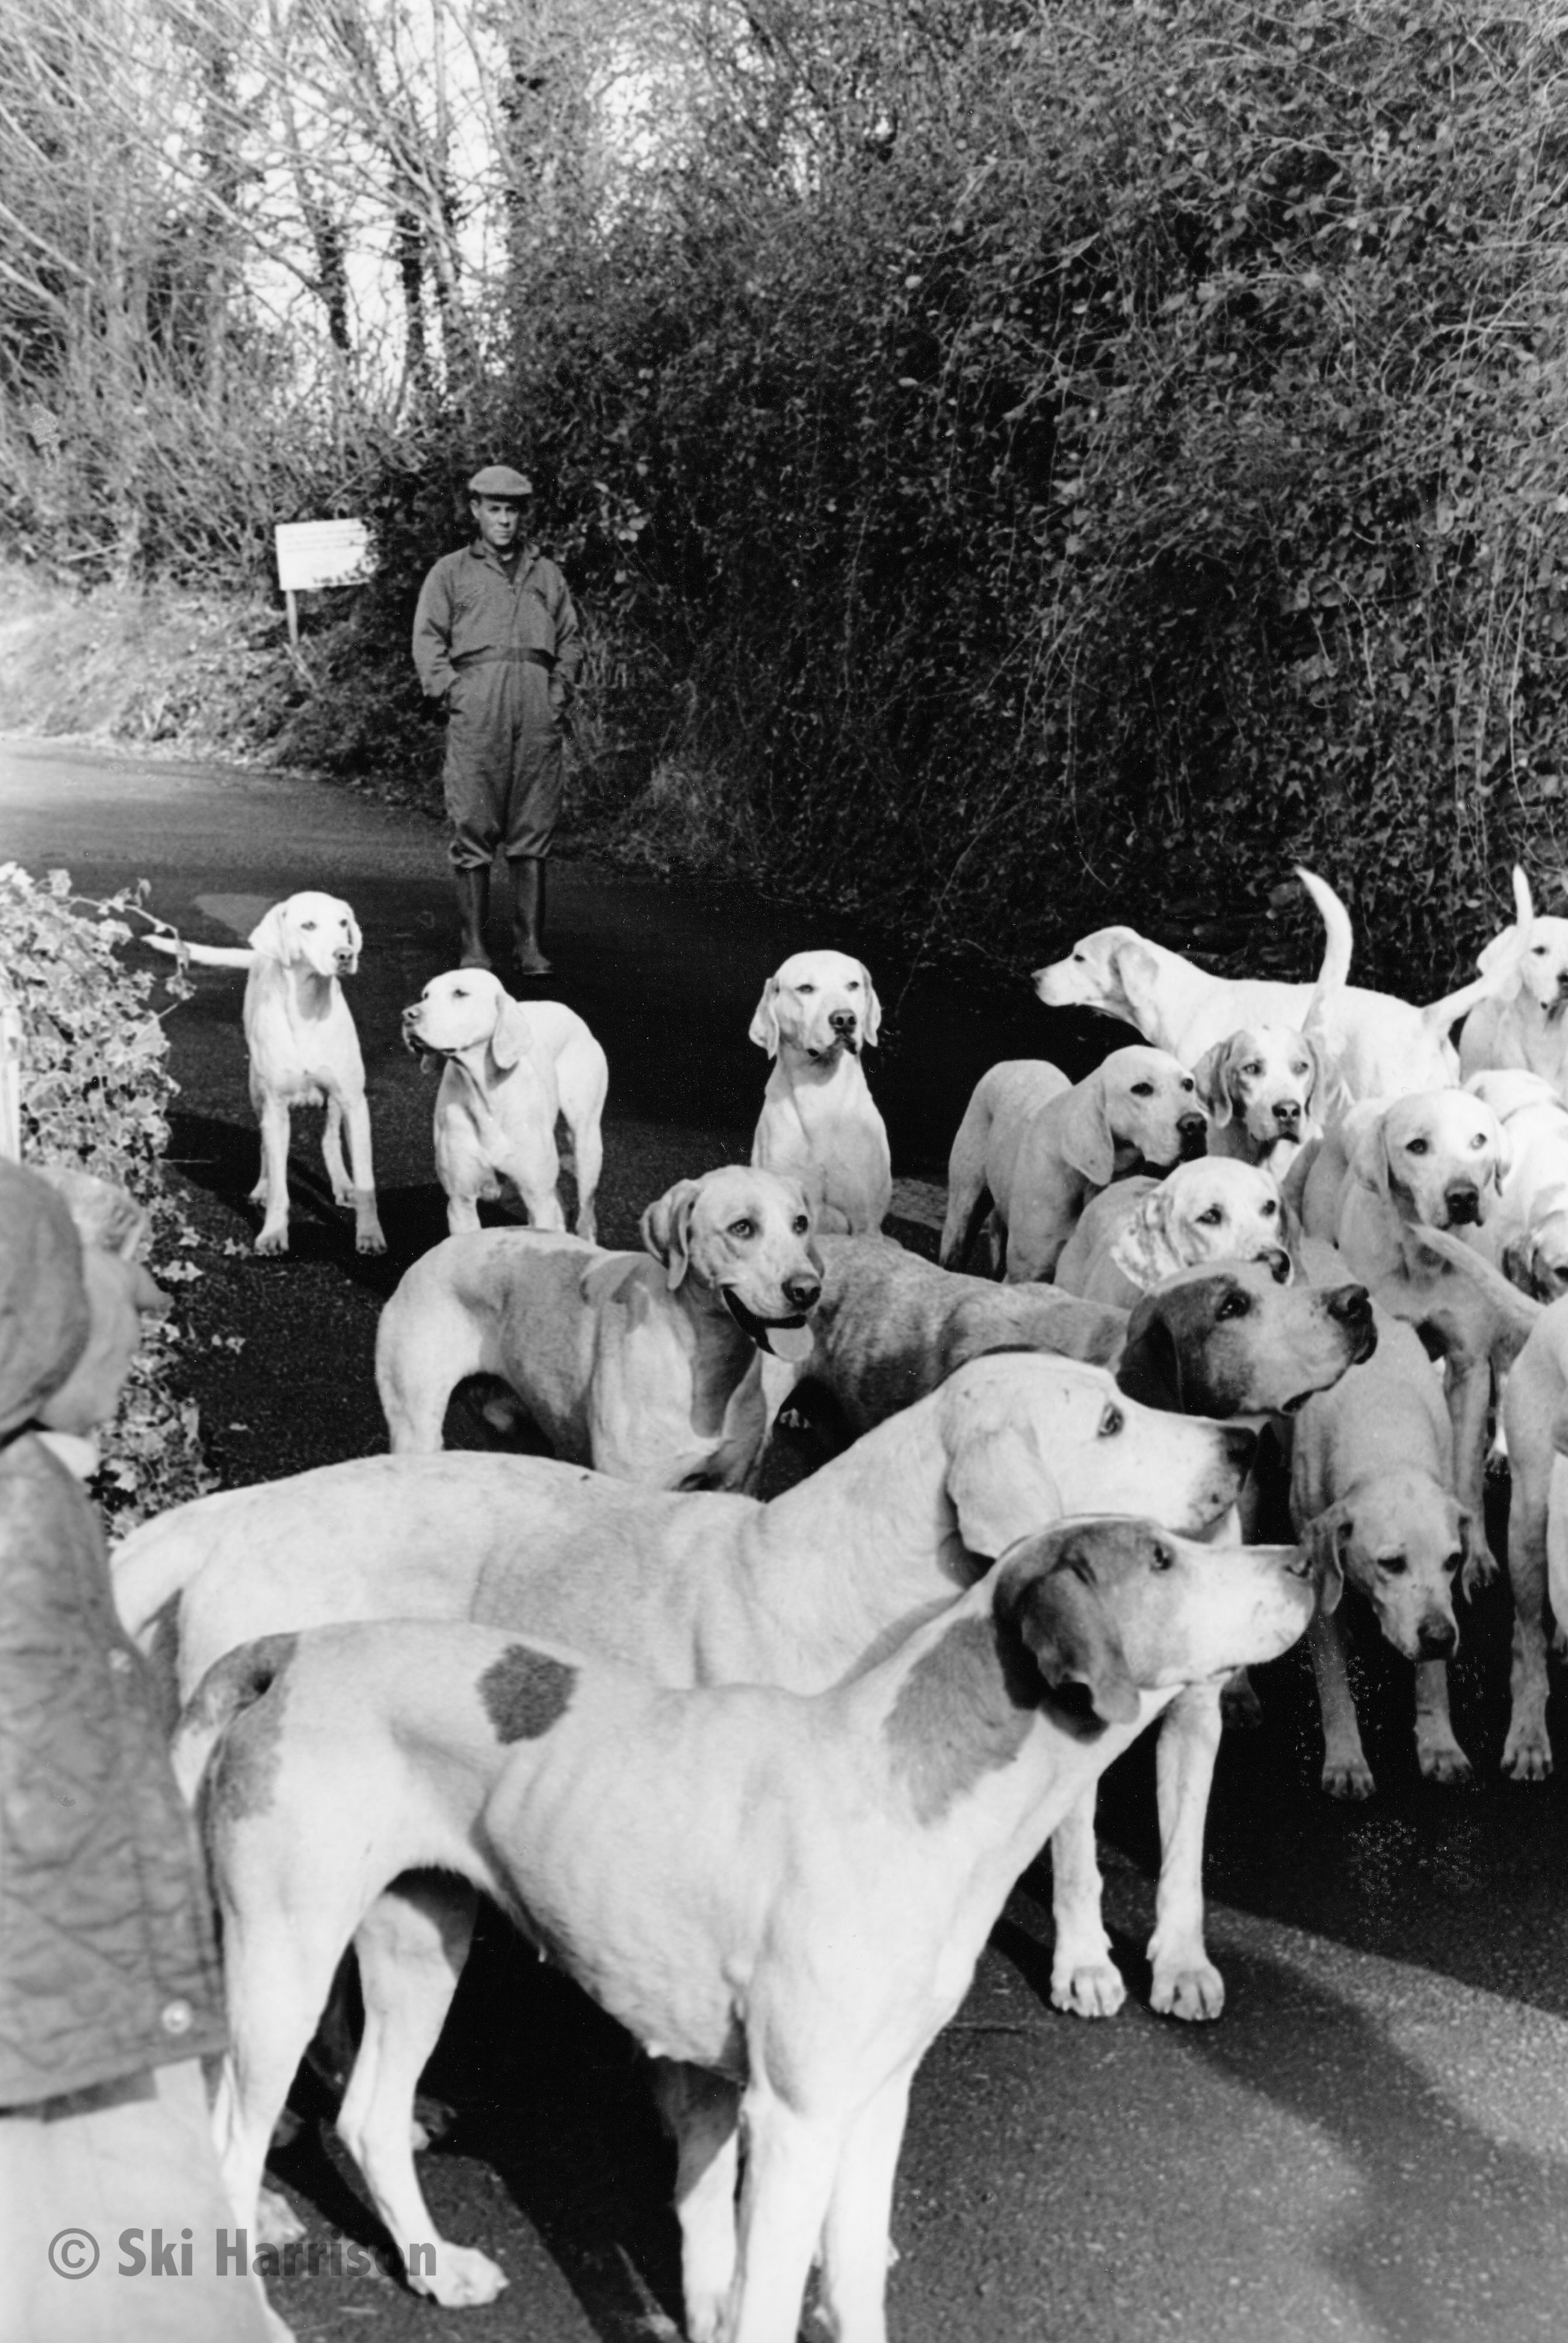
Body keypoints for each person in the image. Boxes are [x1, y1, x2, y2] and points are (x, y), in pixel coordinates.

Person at [0, 1159, 285, 2343]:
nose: (146, 1325)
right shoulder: (22, 1514)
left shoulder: (37, 1492)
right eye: (121, 1294)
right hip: (64, 2039)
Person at [411, 463, 582, 978]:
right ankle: (474, 946)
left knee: (533, 826)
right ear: (476, 511)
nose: (504, 520)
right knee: (474, 822)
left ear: (523, 515)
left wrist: (557, 693)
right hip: (478, 709)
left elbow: (570, 639)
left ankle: (529, 947)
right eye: (494, 510)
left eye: (512, 511)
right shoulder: (450, 572)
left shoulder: (546, 574)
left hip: (535, 708)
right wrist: (452, 690)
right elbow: (428, 638)